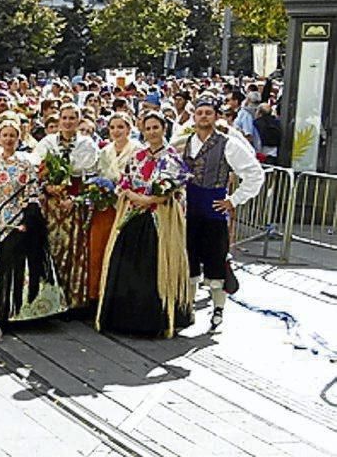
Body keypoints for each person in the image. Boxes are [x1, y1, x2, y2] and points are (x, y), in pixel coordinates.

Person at [97, 111, 193, 338]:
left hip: (159, 219)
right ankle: (124, 318)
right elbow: (124, 181)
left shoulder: (172, 158)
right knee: (127, 264)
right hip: (133, 215)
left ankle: (153, 320)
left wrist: (149, 200)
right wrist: (134, 196)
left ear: (164, 129)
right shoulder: (137, 156)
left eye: (155, 127)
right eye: (148, 128)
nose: (151, 132)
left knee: (154, 266)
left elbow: (172, 190)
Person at [180, 96, 264, 332]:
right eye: (200, 112)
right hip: (190, 211)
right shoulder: (186, 141)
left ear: (216, 117)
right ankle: (187, 307)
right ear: (194, 116)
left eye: (208, 112)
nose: (203, 116)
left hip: (214, 212)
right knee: (189, 258)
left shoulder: (228, 144)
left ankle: (218, 310)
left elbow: (255, 174)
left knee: (216, 260)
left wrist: (233, 200)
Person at [0, 118, 66, 324]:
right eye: (5, 135)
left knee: (17, 261)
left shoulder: (26, 163)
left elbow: (32, 193)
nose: (8, 139)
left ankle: (18, 311)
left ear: (19, 138)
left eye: (12, 135)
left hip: (17, 218)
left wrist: (28, 216)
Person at [34, 103, 99, 310]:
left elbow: (91, 179)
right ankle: (48, 301)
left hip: (74, 204)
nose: (68, 122)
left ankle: (71, 300)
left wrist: (75, 199)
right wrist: (48, 187)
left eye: (73, 118)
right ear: (59, 120)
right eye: (65, 118)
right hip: (50, 204)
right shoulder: (47, 142)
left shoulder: (87, 145)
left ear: (79, 121)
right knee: (49, 248)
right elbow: (36, 172)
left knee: (73, 250)